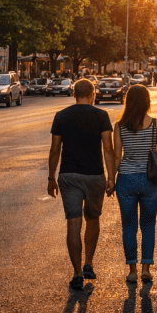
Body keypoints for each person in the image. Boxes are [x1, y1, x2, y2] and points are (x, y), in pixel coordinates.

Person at [47, 78, 115, 291]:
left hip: (68, 176)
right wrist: (111, 177)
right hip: (94, 175)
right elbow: (108, 148)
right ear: (93, 94)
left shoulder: (61, 116)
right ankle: (88, 264)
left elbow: (55, 150)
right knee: (93, 219)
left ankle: (77, 273)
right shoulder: (101, 115)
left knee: (73, 224)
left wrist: (51, 177)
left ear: (74, 94)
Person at [111, 85, 157, 284]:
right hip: (150, 180)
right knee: (148, 225)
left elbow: (117, 156)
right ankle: (146, 270)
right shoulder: (156, 124)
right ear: (147, 101)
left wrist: (110, 179)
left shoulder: (120, 126)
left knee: (128, 226)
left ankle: (132, 270)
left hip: (126, 179)